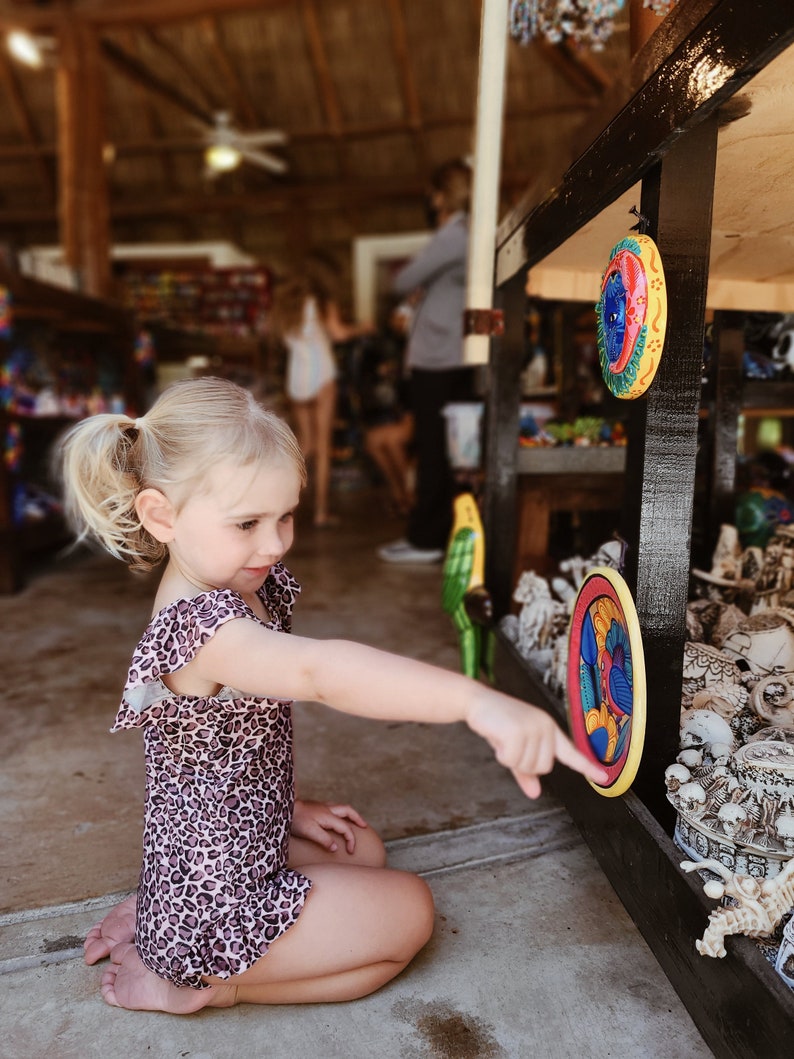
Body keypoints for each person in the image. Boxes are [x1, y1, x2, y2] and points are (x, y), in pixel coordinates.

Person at [57, 377, 606, 1014]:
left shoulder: (236, 576)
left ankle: (165, 917)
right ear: (162, 515)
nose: (275, 543)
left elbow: (213, 754)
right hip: (216, 897)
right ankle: (199, 981)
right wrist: (476, 702)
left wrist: (283, 805)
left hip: (210, 849)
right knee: (409, 915)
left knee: (361, 849)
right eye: (248, 523)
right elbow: (323, 671)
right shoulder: (202, 628)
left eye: (285, 515)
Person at [378, 158, 475, 564]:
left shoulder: (455, 233)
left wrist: (417, 288)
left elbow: (402, 279)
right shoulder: (465, 235)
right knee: (449, 451)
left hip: (440, 359)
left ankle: (427, 539)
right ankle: (438, 535)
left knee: (435, 449)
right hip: (449, 354)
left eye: (433, 193)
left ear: (441, 194)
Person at [271, 262, 370, 528]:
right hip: (322, 376)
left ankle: (275, 503)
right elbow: (339, 333)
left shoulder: (285, 308)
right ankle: (321, 512)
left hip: (297, 379)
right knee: (323, 446)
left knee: (306, 444)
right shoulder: (324, 302)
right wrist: (363, 328)